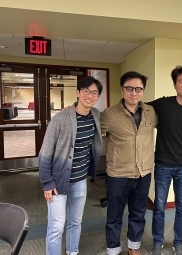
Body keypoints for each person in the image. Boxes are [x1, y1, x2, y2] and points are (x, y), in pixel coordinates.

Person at [39, 76, 103, 255]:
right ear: (78, 92)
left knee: (75, 222)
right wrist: (47, 182)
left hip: (80, 180)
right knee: (56, 227)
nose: (89, 95)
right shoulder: (60, 119)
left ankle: (72, 252)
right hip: (57, 182)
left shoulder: (96, 115)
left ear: (98, 96)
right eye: (86, 91)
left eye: (94, 93)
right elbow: (45, 153)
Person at [149, 66, 182, 255]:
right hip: (163, 164)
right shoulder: (163, 105)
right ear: (174, 85)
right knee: (159, 207)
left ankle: (178, 243)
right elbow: (140, 107)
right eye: (181, 81)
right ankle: (158, 243)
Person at [101, 71, 157, 255]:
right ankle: (113, 249)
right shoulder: (109, 114)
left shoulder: (150, 112)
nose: (134, 92)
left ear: (143, 90)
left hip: (143, 172)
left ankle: (134, 247)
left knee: (138, 213)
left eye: (138, 89)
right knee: (114, 216)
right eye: (129, 88)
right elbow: (92, 131)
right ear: (122, 89)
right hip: (118, 174)